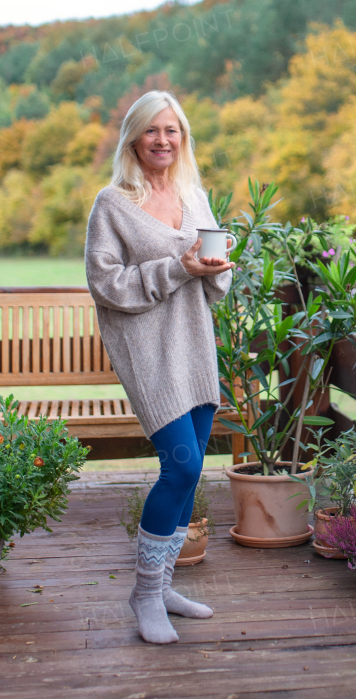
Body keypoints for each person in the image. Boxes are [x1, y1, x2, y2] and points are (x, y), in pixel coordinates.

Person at [83, 90, 233, 645]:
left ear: (183, 138)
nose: (163, 140)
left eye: (172, 131)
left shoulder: (194, 196)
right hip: (147, 353)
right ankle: (144, 594)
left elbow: (216, 284)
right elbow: (105, 283)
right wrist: (177, 267)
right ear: (134, 138)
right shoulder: (113, 203)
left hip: (194, 345)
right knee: (181, 466)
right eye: (152, 130)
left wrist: (215, 265)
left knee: (192, 469)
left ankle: (164, 583)